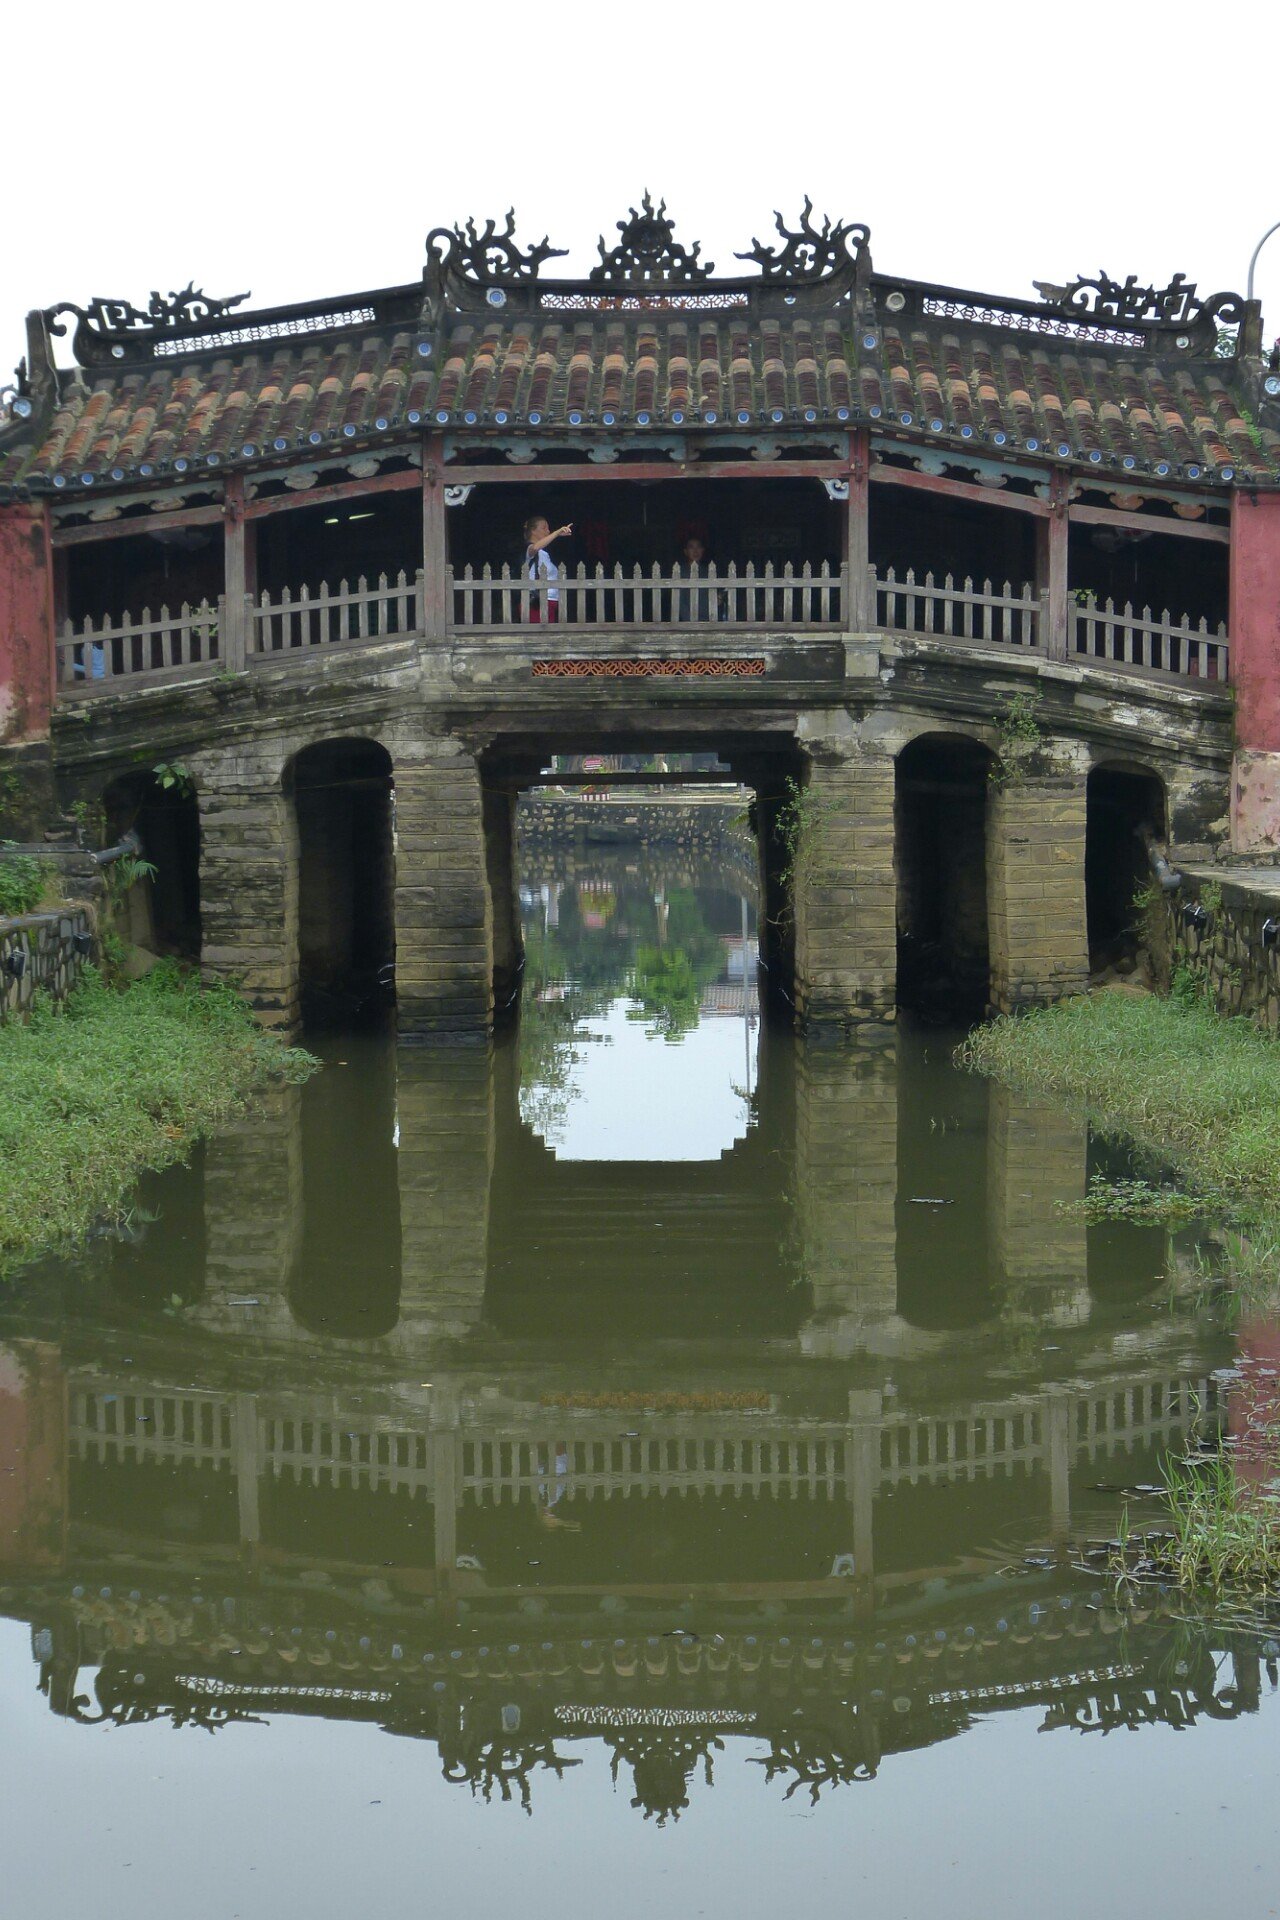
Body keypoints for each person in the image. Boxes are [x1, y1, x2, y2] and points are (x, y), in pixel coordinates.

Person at [523, 514, 572, 623]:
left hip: (550, 601)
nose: (548, 531)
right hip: (537, 602)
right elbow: (535, 547)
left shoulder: (544, 554)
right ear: (533, 531)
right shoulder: (529, 549)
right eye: (544, 528)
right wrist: (556, 533)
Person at [675, 534, 714, 622]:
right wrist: (689, 621)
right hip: (688, 621)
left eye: (698, 547)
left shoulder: (708, 572)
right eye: (691, 547)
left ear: (703, 550)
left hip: (709, 620)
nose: (695, 551)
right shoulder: (680, 573)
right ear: (686, 551)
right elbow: (680, 601)